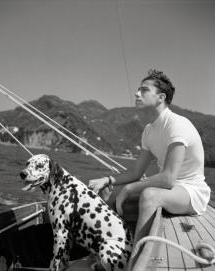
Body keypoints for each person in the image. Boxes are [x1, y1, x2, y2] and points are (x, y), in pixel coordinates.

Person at [88, 69, 211, 269]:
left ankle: (134, 263)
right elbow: (136, 172)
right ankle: (111, 252)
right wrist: (107, 180)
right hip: (171, 188)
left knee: (150, 196)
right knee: (107, 194)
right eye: (138, 89)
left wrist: (129, 189)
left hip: (191, 191)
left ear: (160, 97)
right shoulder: (149, 130)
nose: (137, 94)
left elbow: (169, 179)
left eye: (144, 90)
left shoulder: (177, 125)